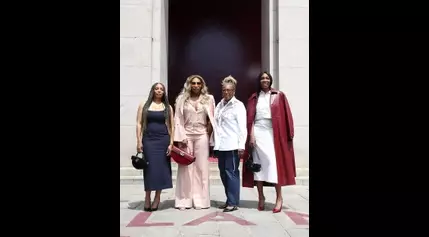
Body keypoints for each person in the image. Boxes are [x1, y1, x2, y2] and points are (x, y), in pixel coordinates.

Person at [242, 71, 296, 213]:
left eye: (267, 78)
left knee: (273, 165)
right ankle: (261, 197)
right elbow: (250, 119)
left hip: (274, 134)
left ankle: (279, 198)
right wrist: (251, 135)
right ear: (259, 81)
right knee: (258, 167)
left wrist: (289, 135)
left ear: (270, 80)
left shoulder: (279, 95)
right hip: (258, 132)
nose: (265, 80)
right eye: (262, 78)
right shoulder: (254, 97)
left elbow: (287, 115)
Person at [173, 75, 216, 210]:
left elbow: (211, 120)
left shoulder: (209, 99)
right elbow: (177, 119)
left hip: (202, 134)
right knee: (185, 168)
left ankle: (201, 201)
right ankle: (184, 201)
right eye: (193, 83)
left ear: (202, 85)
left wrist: (209, 135)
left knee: (201, 168)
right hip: (186, 134)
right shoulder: (181, 99)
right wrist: (180, 137)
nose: (196, 85)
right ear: (189, 84)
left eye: (199, 83)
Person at [136, 82, 174, 212]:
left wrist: (171, 143)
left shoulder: (167, 107)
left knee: (161, 169)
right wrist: (139, 141)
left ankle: (157, 198)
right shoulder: (144, 105)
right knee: (149, 169)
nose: (159, 91)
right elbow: (139, 123)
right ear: (152, 90)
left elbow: (171, 126)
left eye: (161, 89)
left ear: (164, 92)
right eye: (156, 89)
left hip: (163, 140)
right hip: (148, 140)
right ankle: (147, 197)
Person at [213, 76, 247, 212]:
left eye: (229, 90)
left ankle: (233, 202)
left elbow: (242, 128)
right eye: (224, 90)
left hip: (233, 145)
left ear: (234, 91)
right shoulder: (219, 105)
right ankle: (229, 199)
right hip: (221, 145)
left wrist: (241, 145)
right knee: (223, 173)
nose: (226, 92)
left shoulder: (238, 105)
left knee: (231, 173)